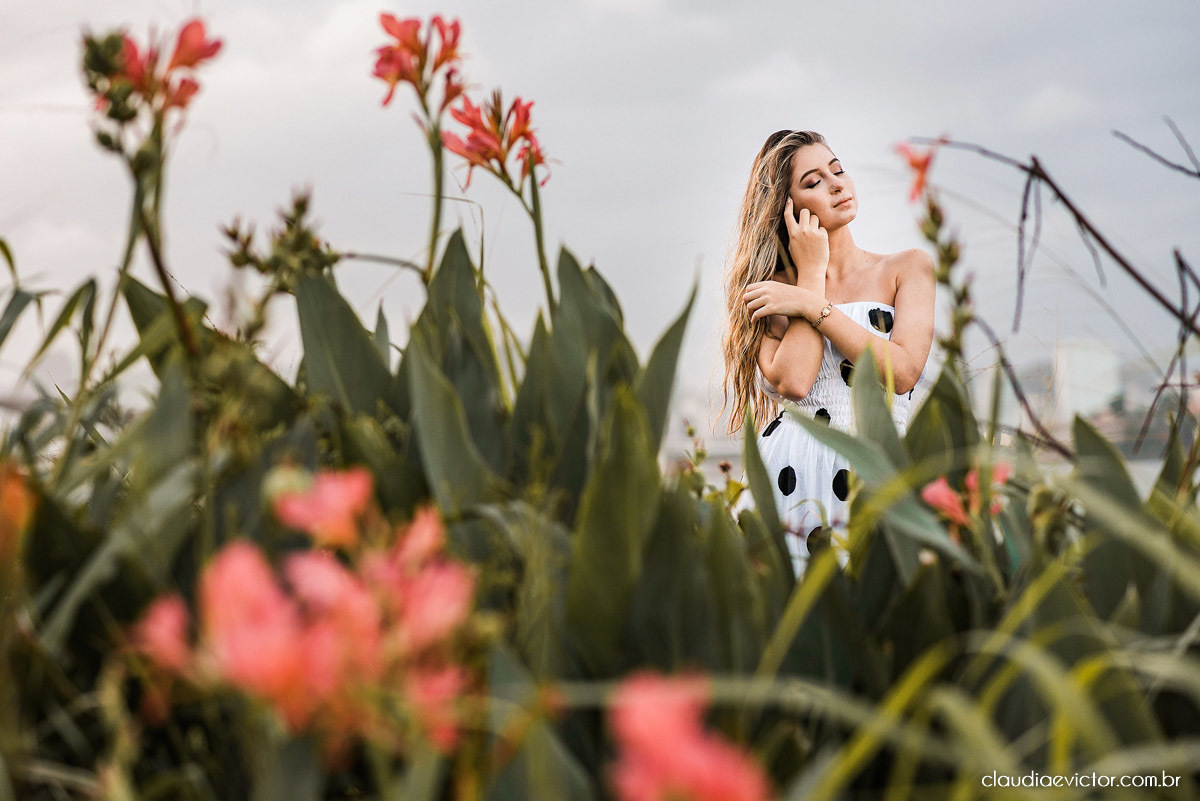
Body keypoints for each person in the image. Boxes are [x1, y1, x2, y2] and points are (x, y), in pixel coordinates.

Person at [720, 130, 935, 578]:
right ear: (785, 206)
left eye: (837, 170)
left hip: (876, 467)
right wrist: (811, 275)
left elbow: (904, 370)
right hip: (790, 476)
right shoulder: (766, 293)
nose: (838, 185)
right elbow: (796, 382)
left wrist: (811, 307)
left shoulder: (907, 268)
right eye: (814, 182)